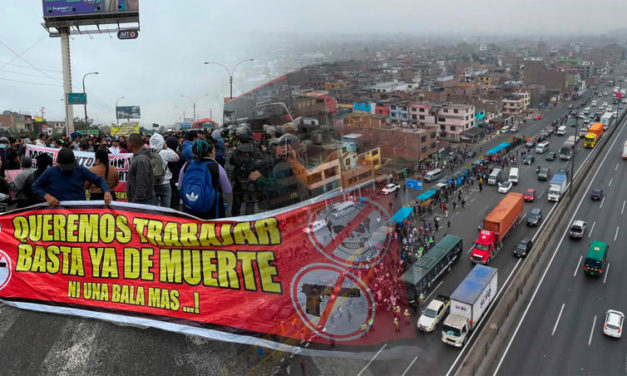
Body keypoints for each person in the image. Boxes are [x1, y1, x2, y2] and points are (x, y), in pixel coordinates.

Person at [249, 134, 309, 211]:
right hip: (297, 202)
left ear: (286, 149)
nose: (276, 148)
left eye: (278, 146)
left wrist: (259, 178)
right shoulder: (298, 161)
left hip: (283, 207)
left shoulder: (282, 166)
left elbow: (277, 189)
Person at [33, 147, 112, 205]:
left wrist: (106, 191)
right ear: (58, 162)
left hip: (79, 211)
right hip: (58, 213)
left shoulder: (81, 170)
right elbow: (36, 186)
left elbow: (99, 180)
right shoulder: (50, 172)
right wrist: (47, 196)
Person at [178, 140, 231, 219]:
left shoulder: (186, 165)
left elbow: (179, 186)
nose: (215, 152)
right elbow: (227, 190)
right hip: (212, 210)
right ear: (208, 152)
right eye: (213, 150)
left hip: (190, 208)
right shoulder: (216, 167)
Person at [150, 133, 179, 208]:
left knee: (154, 208)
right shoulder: (164, 153)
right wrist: (166, 148)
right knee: (166, 208)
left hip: (153, 183)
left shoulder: (148, 153)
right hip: (165, 183)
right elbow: (176, 157)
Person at [127, 133, 155, 205]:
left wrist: (134, 204)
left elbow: (142, 185)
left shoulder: (141, 160)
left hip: (142, 203)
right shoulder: (138, 157)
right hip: (141, 201)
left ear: (131, 143)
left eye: (127, 142)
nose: (127, 144)